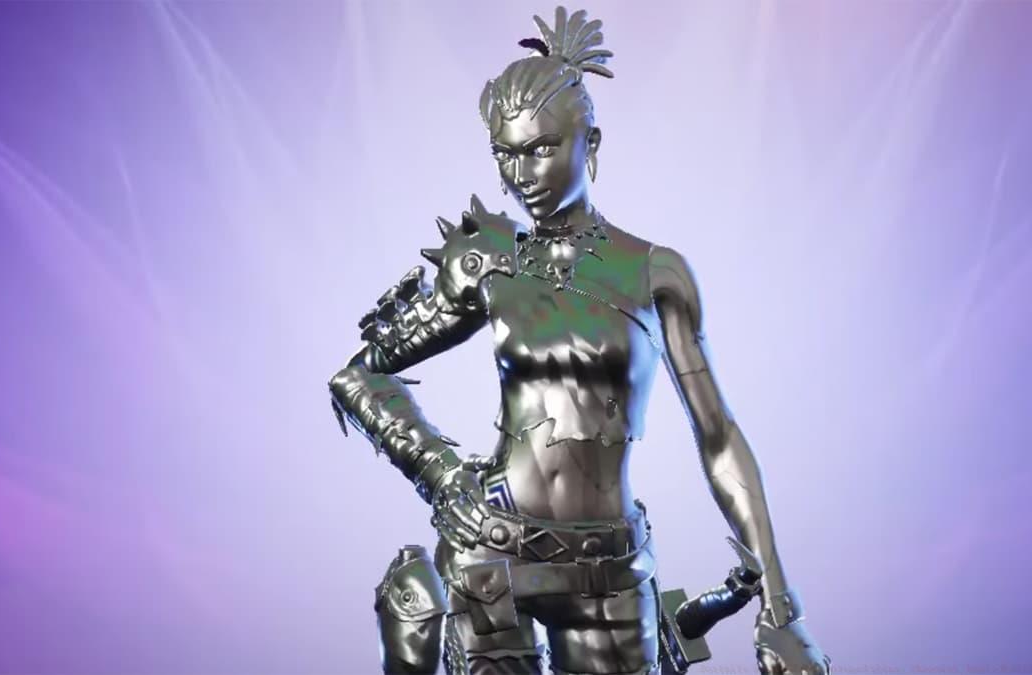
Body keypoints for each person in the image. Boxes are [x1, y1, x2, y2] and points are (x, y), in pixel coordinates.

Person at [329, 7, 828, 674]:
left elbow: (719, 437)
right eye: (505, 154)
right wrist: (443, 476)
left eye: (540, 149)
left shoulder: (654, 273)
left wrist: (780, 610)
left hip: (612, 564)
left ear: (590, 142)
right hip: (492, 553)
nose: (521, 175)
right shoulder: (487, 260)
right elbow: (361, 373)